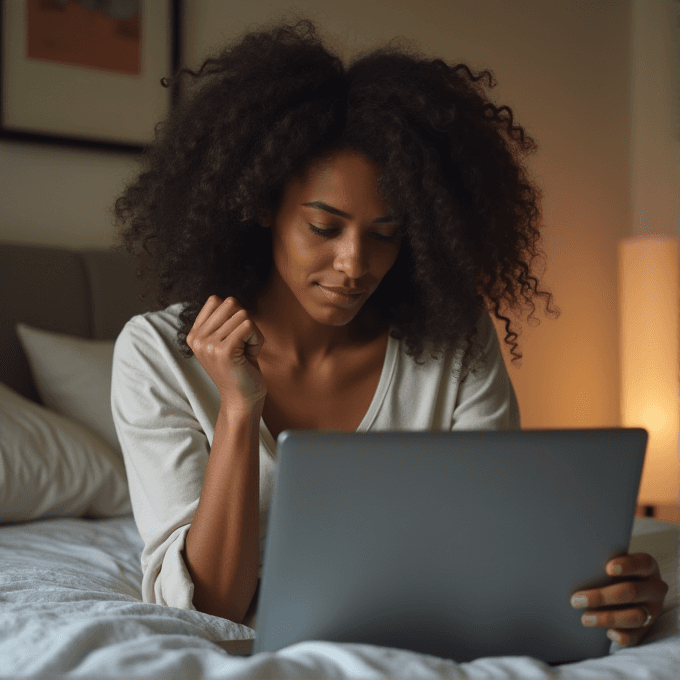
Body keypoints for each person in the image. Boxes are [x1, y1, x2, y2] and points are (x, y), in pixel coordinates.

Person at [111, 16, 668, 643]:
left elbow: (500, 544)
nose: (355, 265)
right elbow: (211, 605)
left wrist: (602, 592)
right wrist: (240, 409)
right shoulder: (156, 353)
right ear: (263, 205)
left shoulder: (453, 342)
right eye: (325, 228)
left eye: (386, 234)